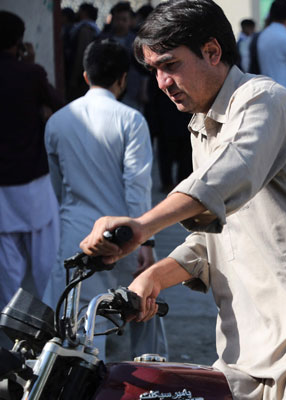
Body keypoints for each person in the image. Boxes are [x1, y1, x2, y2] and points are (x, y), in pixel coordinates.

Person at [79, 1, 286, 398]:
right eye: (154, 70)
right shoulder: (201, 127)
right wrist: (154, 277)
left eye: (170, 65)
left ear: (212, 52)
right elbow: (213, 239)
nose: (161, 82)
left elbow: (226, 177)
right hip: (251, 345)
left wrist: (142, 227)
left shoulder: (263, 100)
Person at [43, 40, 168, 360]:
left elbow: (56, 191)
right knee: (144, 312)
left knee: (77, 327)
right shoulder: (131, 120)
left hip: (76, 238)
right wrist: (146, 242)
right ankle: (151, 383)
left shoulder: (57, 122)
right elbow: (137, 186)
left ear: (86, 76)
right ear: (123, 79)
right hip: (123, 235)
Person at [0, 11, 62, 309]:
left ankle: (9, 335)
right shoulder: (31, 74)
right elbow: (59, 106)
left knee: (7, 270)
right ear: (19, 41)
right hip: (33, 182)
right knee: (46, 266)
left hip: (2, 190)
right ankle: (51, 328)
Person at [98, 2, 149, 113]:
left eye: (124, 19)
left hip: (132, 91)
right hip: (108, 90)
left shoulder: (137, 41)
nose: (120, 23)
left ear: (130, 21)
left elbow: (144, 69)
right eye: (117, 19)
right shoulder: (103, 40)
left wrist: (143, 90)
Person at [65, 3, 100, 102]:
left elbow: (81, 55)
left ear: (84, 13)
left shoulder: (85, 30)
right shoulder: (88, 29)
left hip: (81, 79)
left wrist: (74, 79)